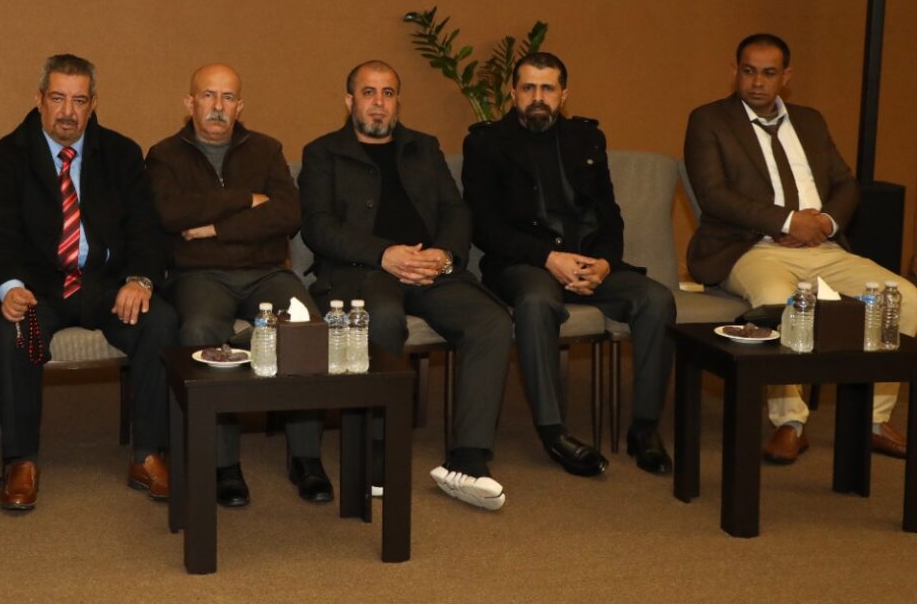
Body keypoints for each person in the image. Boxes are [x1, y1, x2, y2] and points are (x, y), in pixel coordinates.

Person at [684, 33, 914, 463]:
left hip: (822, 247)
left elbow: (846, 185)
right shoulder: (709, 120)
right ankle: (790, 422)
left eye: (768, 73)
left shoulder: (810, 121)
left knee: (903, 300)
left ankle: (872, 420)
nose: (757, 82)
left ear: (785, 77)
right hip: (750, 249)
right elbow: (714, 195)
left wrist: (822, 223)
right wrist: (789, 221)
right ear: (734, 71)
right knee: (780, 303)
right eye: (748, 71)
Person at [298, 60, 513, 510]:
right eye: (368, 93)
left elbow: (456, 211)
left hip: (429, 270)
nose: (379, 103)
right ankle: (378, 447)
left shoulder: (424, 147)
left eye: (388, 93)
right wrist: (383, 254)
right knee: (383, 317)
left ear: (398, 101)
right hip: (362, 272)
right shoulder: (323, 153)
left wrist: (444, 254)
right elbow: (319, 227)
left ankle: (468, 458)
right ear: (349, 101)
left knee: (490, 321)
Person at [462, 52, 676, 477]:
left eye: (547, 88)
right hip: (525, 264)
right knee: (536, 303)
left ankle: (645, 428)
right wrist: (547, 258)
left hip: (588, 262)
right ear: (513, 92)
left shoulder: (587, 139)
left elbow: (610, 214)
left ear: (563, 94)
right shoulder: (486, 143)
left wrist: (605, 263)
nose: (537, 97)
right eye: (528, 88)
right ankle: (553, 431)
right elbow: (484, 227)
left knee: (656, 300)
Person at [0, 54, 177, 512]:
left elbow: (146, 228)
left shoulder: (122, 154)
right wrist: (9, 287)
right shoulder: (7, 156)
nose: (68, 112)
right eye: (57, 98)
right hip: (39, 290)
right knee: (14, 334)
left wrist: (140, 280)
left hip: (107, 285)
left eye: (79, 100)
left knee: (160, 323)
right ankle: (21, 460)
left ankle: (148, 454)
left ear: (93, 104)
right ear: (39, 99)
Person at [146, 63, 330, 508]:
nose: (217, 106)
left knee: (306, 328)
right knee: (201, 331)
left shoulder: (266, 150)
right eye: (208, 96)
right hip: (199, 275)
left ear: (240, 106)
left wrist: (215, 228)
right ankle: (222, 463)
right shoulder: (164, 155)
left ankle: (305, 458)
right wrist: (246, 199)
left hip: (267, 272)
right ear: (190, 102)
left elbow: (288, 214)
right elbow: (172, 214)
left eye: (227, 97)